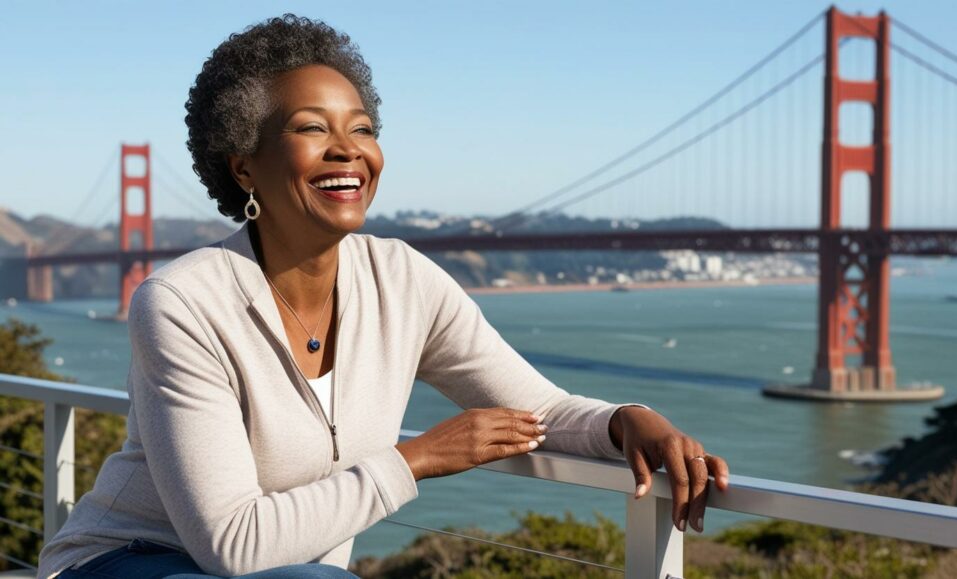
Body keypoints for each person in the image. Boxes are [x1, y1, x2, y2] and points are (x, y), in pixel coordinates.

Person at [37, 14, 729, 579]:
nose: (349, 150)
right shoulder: (181, 303)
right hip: (129, 561)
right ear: (244, 162)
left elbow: (537, 410)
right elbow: (232, 543)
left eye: (362, 128)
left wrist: (629, 422)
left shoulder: (404, 280)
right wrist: (418, 457)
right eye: (313, 128)